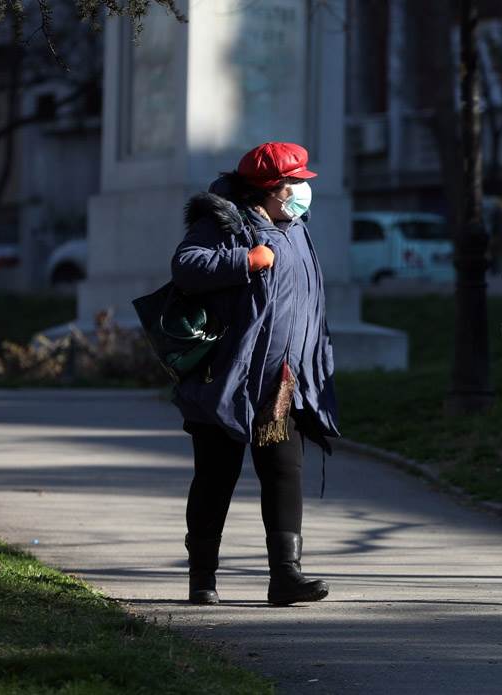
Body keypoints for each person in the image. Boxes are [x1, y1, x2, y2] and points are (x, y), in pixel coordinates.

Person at [170, 142, 340, 606]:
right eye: (295, 183)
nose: (304, 190)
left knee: (285, 472)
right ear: (270, 189)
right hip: (225, 380)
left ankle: (286, 576)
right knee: (215, 477)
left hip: (282, 383)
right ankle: (202, 578)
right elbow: (185, 267)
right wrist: (245, 261)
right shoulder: (224, 225)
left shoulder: (296, 228)